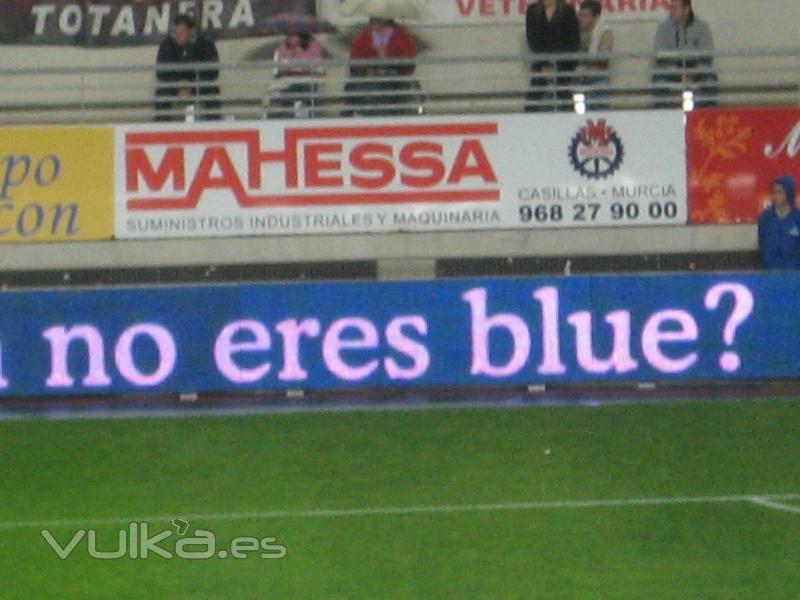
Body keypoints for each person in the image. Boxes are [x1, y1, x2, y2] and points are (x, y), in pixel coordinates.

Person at [343, 17, 419, 117]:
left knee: (392, 88)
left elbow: (408, 62)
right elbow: (355, 58)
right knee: (352, 87)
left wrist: (389, 56)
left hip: (394, 77)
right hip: (368, 76)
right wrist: (369, 67)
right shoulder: (364, 36)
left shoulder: (402, 36)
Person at [651, 0, 717, 109]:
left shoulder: (702, 27)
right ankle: (662, 117)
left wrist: (692, 73)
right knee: (659, 81)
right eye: (671, 8)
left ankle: (707, 116)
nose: (672, 11)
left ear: (686, 10)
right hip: (671, 70)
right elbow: (660, 55)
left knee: (710, 80)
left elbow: (707, 54)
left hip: (696, 69)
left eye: (675, 8)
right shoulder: (662, 28)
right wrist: (680, 73)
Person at [155, 14, 221, 121]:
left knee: (212, 91)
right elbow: (161, 72)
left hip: (199, 84)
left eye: (181, 33)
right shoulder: (167, 44)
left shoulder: (206, 43)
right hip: (176, 85)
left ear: (192, 31)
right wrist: (179, 84)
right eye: (175, 33)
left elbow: (213, 71)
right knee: (161, 93)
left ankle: (214, 125)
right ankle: (162, 127)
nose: (177, 36)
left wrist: (192, 84)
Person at [525, 0, 580, 112]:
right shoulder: (532, 11)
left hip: (564, 64)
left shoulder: (568, 11)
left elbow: (573, 41)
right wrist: (545, 64)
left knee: (563, 92)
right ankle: (529, 123)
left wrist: (557, 65)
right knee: (533, 97)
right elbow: (533, 40)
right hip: (542, 64)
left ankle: (570, 121)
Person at [268, 31, 324, 119]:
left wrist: (303, 64)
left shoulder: (313, 47)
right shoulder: (283, 48)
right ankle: (286, 119)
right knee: (286, 95)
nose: (290, 38)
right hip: (289, 81)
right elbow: (280, 68)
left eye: (294, 36)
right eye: (289, 36)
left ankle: (316, 119)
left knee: (311, 95)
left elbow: (317, 66)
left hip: (307, 80)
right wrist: (291, 56)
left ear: (301, 37)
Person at [576, 0, 613, 110]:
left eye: (586, 16)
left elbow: (603, 58)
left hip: (598, 76)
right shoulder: (576, 32)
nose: (582, 19)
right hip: (580, 76)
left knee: (601, 85)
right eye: (581, 16)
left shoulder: (606, 32)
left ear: (596, 17)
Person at [757, 175, 800, 270]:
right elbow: (762, 243)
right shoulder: (765, 218)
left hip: (795, 274)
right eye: (774, 192)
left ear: (789, 194)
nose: (775, 196)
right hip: (770, 272)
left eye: (780, 192)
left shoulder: (798, 218)